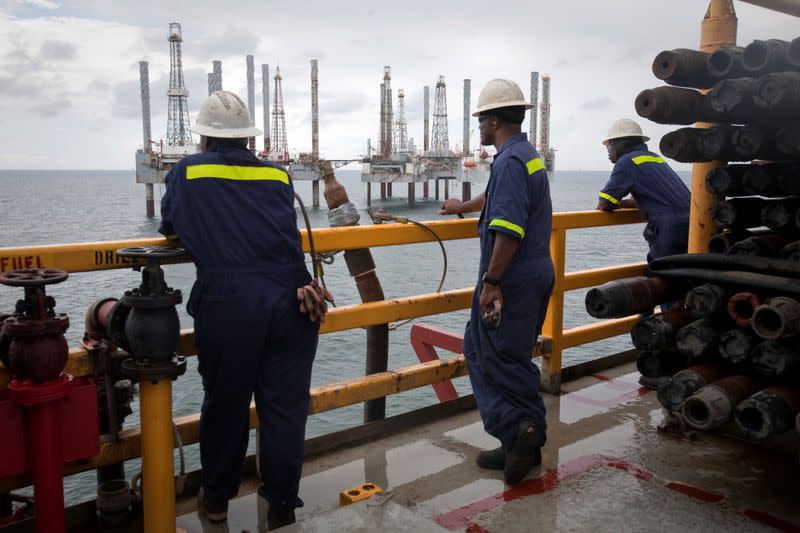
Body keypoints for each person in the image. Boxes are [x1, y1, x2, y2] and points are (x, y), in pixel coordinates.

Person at [159, 90, 331, 529]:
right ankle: (281, 504)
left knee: (227, 405)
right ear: (248, 139)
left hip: (230, 306)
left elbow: (170, 224)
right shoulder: (277, 176)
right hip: (293, 301)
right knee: (284, 408)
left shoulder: (185, 173)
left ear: (205, 138)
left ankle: (216, 500)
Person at [440, 79, 554, 485]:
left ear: (492, 120)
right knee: (492, 350)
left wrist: (492, 281)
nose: (479, 129)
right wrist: (461, 207)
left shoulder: (507, 161)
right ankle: (521, 441)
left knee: (498, 357)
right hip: (536, 270)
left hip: (510, 277)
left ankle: (521, 429)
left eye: (480, 121)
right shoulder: (525, 154)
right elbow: (494, 200)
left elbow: (509, 229)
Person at [596, 118, 691, 266]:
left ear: (623, 142)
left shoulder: (626, 162)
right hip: (692, 222)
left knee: (662, 277)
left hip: (669, 227)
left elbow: (604, 203)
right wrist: (622, 204)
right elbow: (654, 197)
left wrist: (615, 204)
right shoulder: (654, 158)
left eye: (610, 144)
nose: (608, 149)